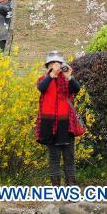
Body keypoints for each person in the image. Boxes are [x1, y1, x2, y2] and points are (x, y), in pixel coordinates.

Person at [36, 51, 83, 186]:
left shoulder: (67, 81)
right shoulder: (43, 79)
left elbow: (77, 89)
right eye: (53, 63)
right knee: (54, 160)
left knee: (69, 160)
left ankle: (71, 190)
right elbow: (41, 87)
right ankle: (56, 191)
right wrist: (52, 75)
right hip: (50, 126)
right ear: (48, 66)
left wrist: (69, 77)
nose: (56, 66)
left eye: (58, 64)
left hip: (66, 126)